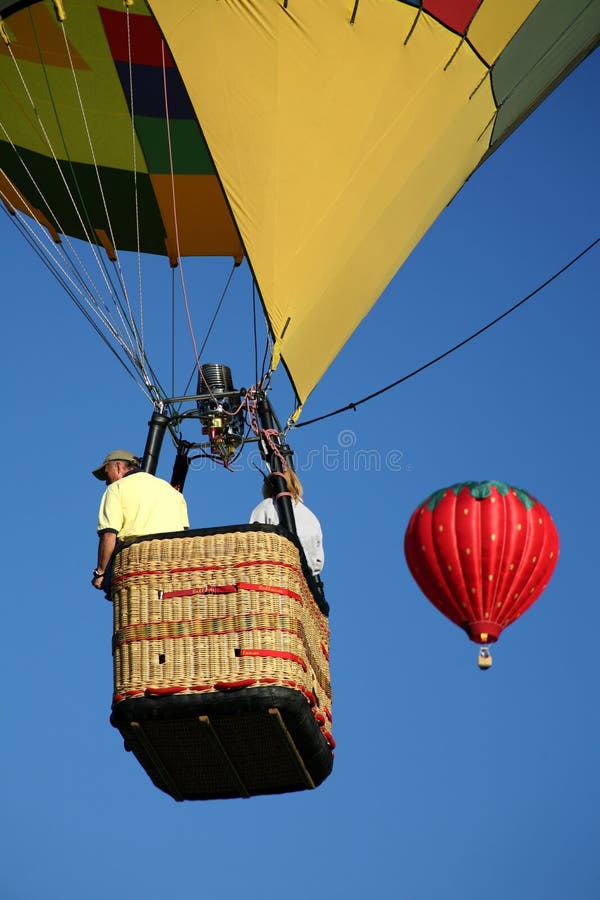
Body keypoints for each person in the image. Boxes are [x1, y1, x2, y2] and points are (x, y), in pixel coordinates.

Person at [91, 449, 189, 596]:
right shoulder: (171, 491)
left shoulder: (116, 489)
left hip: (137, 564)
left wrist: (100, 573)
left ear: (118, 466)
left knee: (110, 586)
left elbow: (109, 535)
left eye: (106, 474)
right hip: (173, 566)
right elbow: (185, 535)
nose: (106, 481)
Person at [249, 468, 324, 577]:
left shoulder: (266, 506)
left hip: (273, 573)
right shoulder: (311, 516)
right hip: (301, 581)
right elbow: (318, 562)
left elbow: (252, 543)